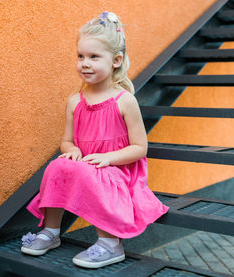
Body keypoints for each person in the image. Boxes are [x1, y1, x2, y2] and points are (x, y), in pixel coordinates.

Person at [20, 11, 169, 269]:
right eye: (80, 56)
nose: (84, 63)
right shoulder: (75, 101)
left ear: (116, 60)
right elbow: (66, 141)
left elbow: (140, 148)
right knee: (57, 166)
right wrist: (72, 150)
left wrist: (107, 158)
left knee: (94, 175)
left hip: (117, 170)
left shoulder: (124, 100)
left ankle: (111, 243)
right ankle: (51, 231)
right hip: (87, 165)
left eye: (93, 57)